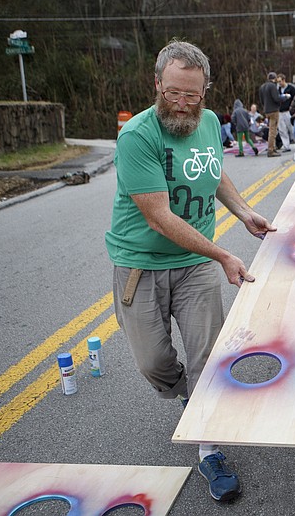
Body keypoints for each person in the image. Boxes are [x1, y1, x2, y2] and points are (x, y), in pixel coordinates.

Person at [104, 39, 276, 502]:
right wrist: (223, 254)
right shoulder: (137, 136)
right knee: (154, 363)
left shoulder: (209, 122)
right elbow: (159, 215)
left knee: (208, 355)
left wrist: (242, 211)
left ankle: (208, 445)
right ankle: (189, 394)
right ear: (157, 84)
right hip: (140, 264)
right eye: (174, 93)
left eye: (193, 95)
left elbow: (212, 170)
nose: (183, 104)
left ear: (205, 90)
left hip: (195, 263)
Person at [259, 71, 281, 157]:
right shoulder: (272, 86)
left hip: (266, 110)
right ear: (274, 78)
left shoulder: (262, 87)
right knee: (273, 131)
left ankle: (273, 147)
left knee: (270, 130)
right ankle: (271, 150)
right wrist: (284, 98)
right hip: (274, 110)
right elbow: (276, 98)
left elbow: (261, 100)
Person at [276, 74, 295, 152]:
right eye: (278, 82)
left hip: (288, 111)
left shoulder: (291, 89)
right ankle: (286, 146)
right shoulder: (278, 90)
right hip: (280, 112)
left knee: (292, 128)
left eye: (280, 81)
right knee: (282, 130)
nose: (279, 83)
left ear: (284, 80)